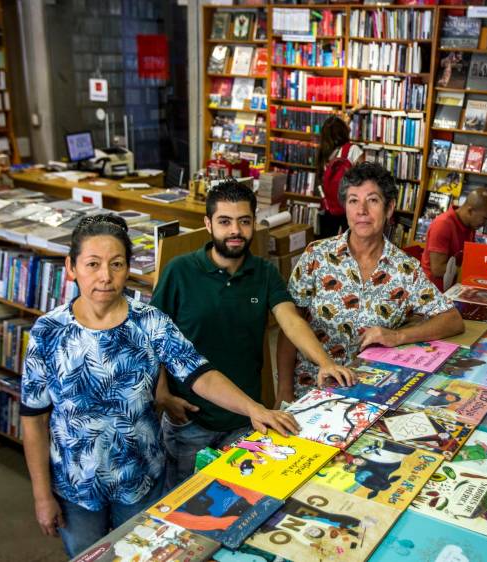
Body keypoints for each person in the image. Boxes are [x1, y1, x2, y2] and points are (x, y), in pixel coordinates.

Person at [20, 214, 299, 558]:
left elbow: (200, 374)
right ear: (71, 267)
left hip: (142, 481)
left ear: (128, 268)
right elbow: (33, 419)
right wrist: (41, 495)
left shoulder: (150, 322)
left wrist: (253, 408)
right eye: (92, 264)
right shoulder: (48, 332)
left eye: (116, 264)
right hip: (76, 489)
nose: (105, 277)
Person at [151, 179, 354, 489]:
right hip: (190, 422)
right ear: (208, 224)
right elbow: (152, 340)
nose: (235, 230)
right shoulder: (179, 271)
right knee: (185, 502)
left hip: (246, 418)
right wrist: (163, 396)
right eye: (225, 221)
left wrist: (324, 361)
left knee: (242, 498)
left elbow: (291, 320)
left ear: (253, 223)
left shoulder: (265, 272)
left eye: (244, 221)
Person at [277, 162, 464, 399]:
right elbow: (289, 325)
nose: (361, 210)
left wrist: (397, 336)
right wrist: (284, 392)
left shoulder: (405, 269)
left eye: (373, 200)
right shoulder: (316, 256)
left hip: (371, 394)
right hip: (312, 389)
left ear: (389, 209)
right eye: (353, 200)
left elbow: (452, 320)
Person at [420, 187, 487, 291]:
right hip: (433, 293)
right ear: (470, 211)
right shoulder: (442, 225)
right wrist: (472, 271)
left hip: (454, 287)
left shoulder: (470, 225)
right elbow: (437, 269)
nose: (486, 224)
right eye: (485, 218)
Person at [316, 114, 364, 238]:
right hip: (351, 209)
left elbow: (320, 179)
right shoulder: (353, 150)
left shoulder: (323, 153)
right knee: (352, 246)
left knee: (328, 246)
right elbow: (366, 179)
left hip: (329, 208)